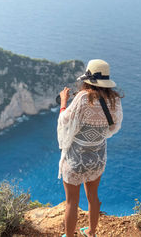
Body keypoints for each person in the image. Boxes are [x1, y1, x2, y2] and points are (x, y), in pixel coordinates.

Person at [57, 59, 123, 237]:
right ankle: (91, 232)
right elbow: (113, 128)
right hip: (97, 158)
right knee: (93, 197)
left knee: (71, 201)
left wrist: (63, 102)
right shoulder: (114, 100)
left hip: (76, 160)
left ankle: (69, 236)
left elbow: (65, 121)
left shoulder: (83, 98)